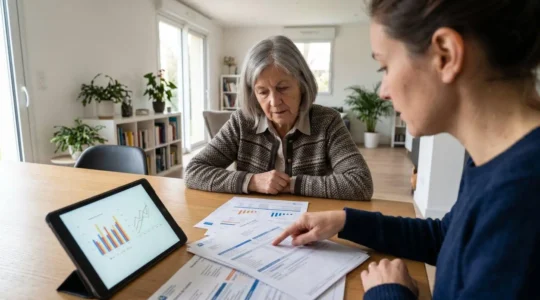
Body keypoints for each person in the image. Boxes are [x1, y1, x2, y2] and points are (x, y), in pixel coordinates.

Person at [273, 0, 540, 299]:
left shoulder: (523, 195)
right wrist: (344, 221)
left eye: (385, 67)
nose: (383, 91)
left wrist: (389, 293)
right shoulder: (492, 160)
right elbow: (445, 237)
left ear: (446, 55)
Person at [185, 35, 373, 201]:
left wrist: (290, 184)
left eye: (283, 88)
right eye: (263, 92)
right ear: (253, 94)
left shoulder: (327, 122)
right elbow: (194, 171)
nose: (274, 102)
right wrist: (252, 181)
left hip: (308, 224)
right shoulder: (242, 122)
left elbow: (361, 183)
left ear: (302, 84)